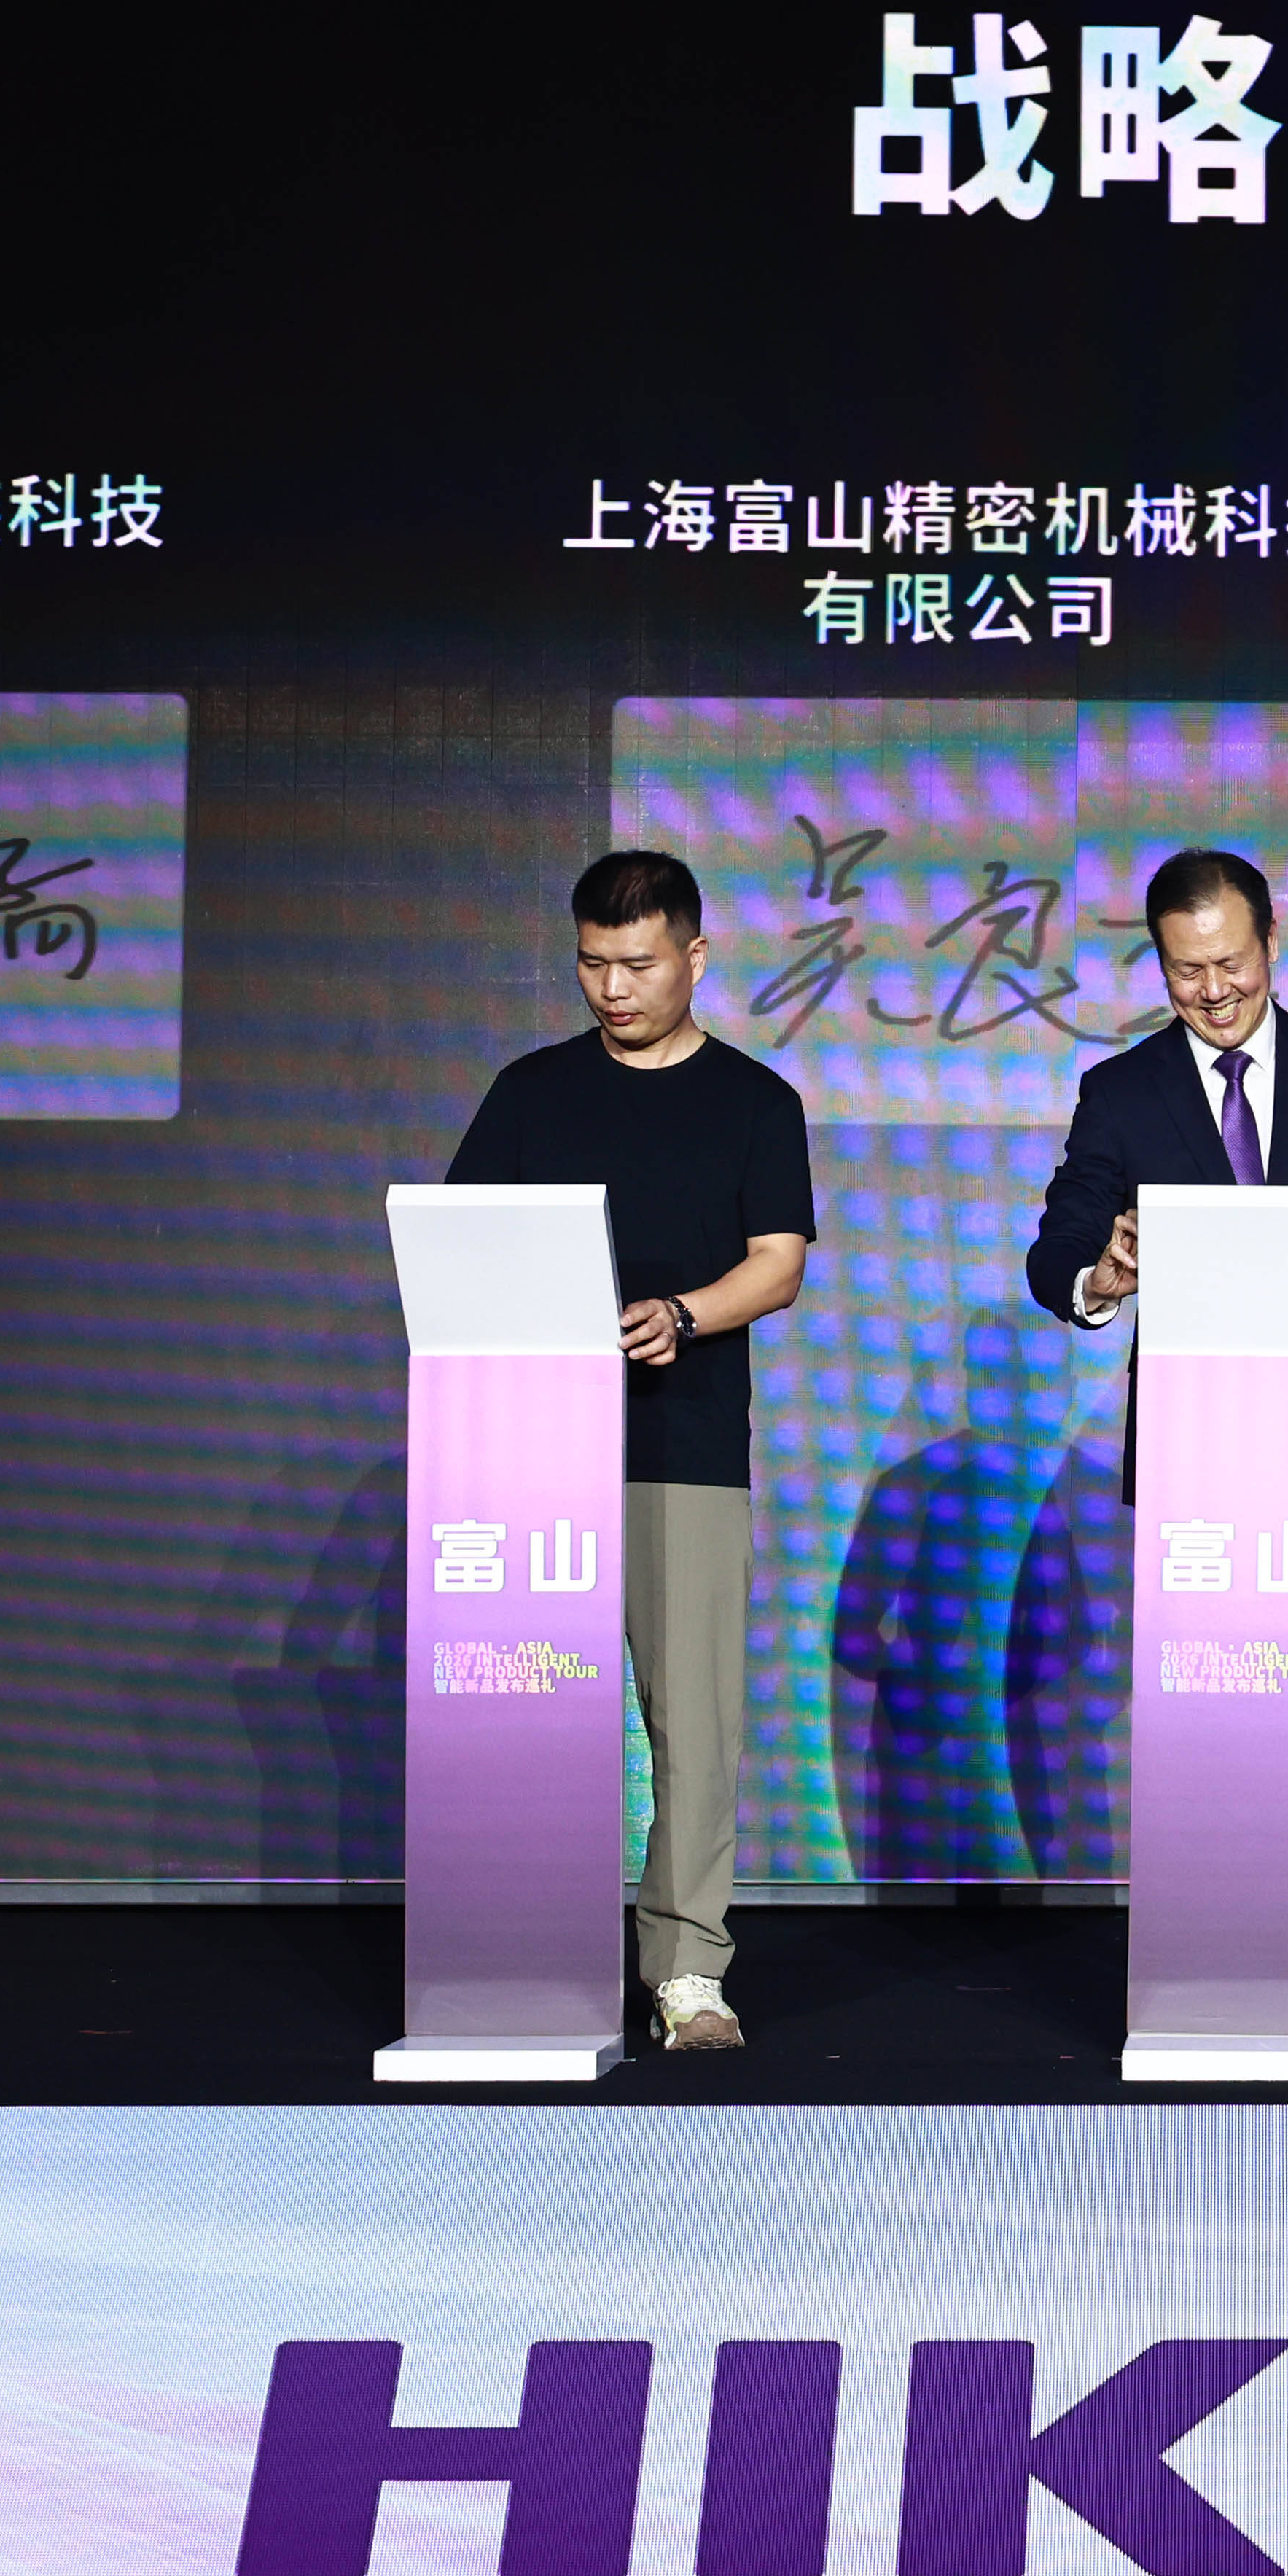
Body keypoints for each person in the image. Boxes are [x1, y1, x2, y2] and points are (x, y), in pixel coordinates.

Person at [1022, 848, 1288, 2055]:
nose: (1210, 990)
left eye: (1229, 963)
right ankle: (1209, 1959)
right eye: (1183, 971)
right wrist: (1101, 1274)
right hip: (1196, 1459)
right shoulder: (1120, 1091)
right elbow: (1056, 1249)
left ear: (1271, 941)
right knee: (1205, 1716)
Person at [447, 850, 815, 2055]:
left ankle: (688, 1970)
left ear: (694, 959)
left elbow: (778, 1264)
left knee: (692, 1724)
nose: (613, 988)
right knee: (524, 1713)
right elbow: (466, 1244)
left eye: (639, 964)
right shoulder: (529, 1093)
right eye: (592, 964)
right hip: (529, 1455)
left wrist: (682, 1316)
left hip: (682, 1446)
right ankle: (521, 1947)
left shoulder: (756, 1101)